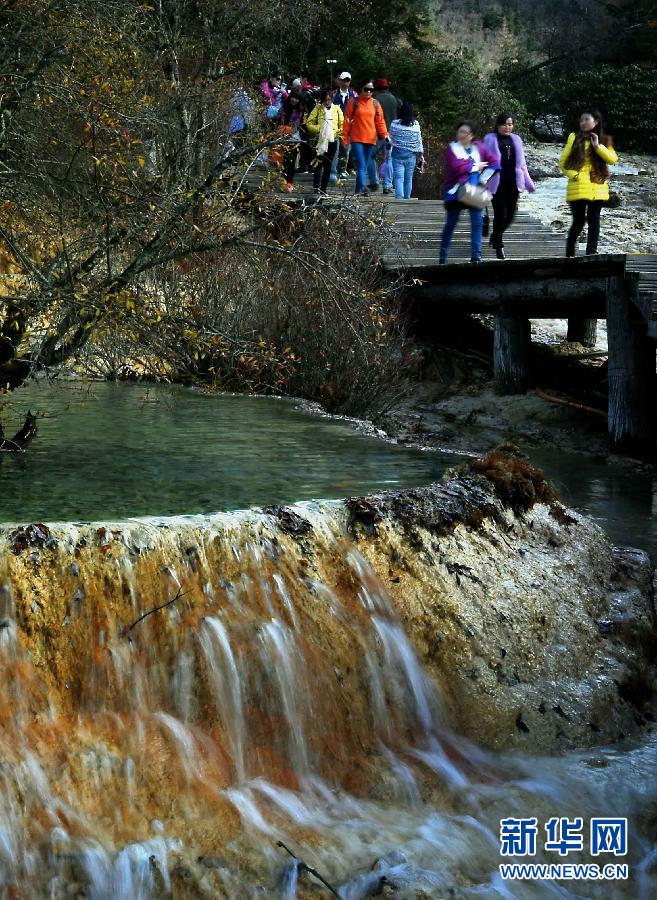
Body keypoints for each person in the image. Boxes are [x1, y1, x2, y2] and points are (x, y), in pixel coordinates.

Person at [439, 121, 499, 264]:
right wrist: (474, 166)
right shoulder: (451, 148)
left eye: (465, 132)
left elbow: (495, 162)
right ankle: (443, 255)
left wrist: (484, 177)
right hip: (455, 192)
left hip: (473, 191)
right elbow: (456, 167)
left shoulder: (479, 147)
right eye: (460, 131)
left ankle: (476, 256)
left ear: (472, 135)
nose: (462, 135)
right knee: (451, 224)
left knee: (477, 223)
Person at [560, 109, 618, 257]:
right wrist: (575, 176)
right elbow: (563, 163)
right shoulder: (574, 137)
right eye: (581, 120)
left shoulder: (604, 139)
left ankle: (591, 253)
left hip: (597, 184)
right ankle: (569, 253)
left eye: (587, 119)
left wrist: (597, 146)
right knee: (578, 221)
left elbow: (612, 159)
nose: (583, 123)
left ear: (596, 122)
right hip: (578, 185)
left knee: (594, 219)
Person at [481, 113, 535, 260]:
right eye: (504, 124)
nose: (507, 127)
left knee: (511, 215)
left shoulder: (516, 140)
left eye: (510, 124)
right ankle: (499, 245)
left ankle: (495, 235)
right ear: (498, 125)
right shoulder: (490, 139)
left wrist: (529, 183)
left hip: (513, 182)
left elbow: (522, 165)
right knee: (500, 213)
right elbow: (482, 160)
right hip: (496, 182)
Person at [343, 81, 389, 195]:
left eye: (371, 90)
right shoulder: (353, 102)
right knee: (362, 164)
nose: (368, 92)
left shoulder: (375, 104)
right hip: (357, 138)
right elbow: (346, 121)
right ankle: (362, 188)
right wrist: (344, 137)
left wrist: (385, 135)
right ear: (361, 89)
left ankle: (359, 190)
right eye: (366, 89)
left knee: (364, 165)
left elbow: (380, 122)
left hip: (371, 139)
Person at [306, 88, 344, 195]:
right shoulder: (318, 108)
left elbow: (342, 124)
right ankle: (316, 187)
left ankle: (323, 189)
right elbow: (309, 123)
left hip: (333, 140)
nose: (327, 102)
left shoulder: (337, 109)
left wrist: (335, 132)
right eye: (325, 100)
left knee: (328, 166)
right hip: (320, 140)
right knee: (318, 164)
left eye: (329, 99)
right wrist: (320, 129)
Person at [388, 102, 424, 199]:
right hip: (411, 156)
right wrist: (421, 155)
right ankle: (407, 198)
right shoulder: (416, 125)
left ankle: (399, 198)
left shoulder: (394, 124)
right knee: (408, 179)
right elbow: (419, 141)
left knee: (399, 178)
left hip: (397, 155)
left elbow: (390, 138)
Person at [372, 77, 402, 193]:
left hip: (376, 134)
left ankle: (374, 180)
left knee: (371, 157)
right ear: (387, 88)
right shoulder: (395, 99)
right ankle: (387, 185)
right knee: (389, 159)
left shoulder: (374, 100)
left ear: (377, 88)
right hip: (391, 135)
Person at [332, 72, 358, 179]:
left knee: (346, 149)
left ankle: (342, 169)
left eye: (348, 80)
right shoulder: (333, 94)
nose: (345, 82)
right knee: (335, 148)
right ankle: (333, 171)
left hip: (349, 126)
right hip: (335, 125)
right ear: (340, 81)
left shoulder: (354, 95)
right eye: (343, 80)